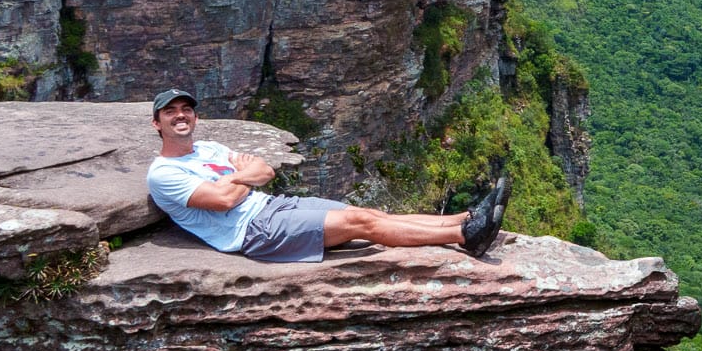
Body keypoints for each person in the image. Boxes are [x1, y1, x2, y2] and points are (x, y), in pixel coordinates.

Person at [144, 88, 509, 263]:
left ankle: (464, 219)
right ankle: (465, 236)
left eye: (187, 110)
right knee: (360, 221)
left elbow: (265, 169)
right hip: (253, 232)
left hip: (273, 205)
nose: (181, 116)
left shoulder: (208, 149)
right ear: (156, 123)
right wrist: (243, 177)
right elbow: (224, 200)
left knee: (375, 215)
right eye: (171, 112)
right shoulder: (164, 173)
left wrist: (241, 178)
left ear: (194, 117)